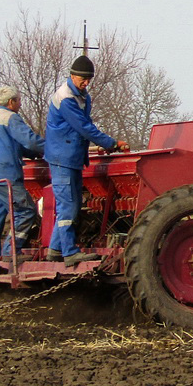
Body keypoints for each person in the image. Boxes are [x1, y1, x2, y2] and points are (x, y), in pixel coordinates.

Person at [44, 55, 129, 266]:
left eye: (89, 79)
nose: (86, 82)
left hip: (72, 157)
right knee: (68, 206)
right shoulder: (66, 99)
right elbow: (83, 127)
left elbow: (86, 125)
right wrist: (111, 143)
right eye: (83, 79)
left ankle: (55, 250)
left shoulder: (83, 96)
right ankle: (70, 253)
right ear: (72, 76)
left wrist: (100, 143)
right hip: (61, 158)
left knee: (70, 205)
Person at [0, 85, 43, 273]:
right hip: (6, 175)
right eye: (18, 101)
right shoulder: (11, 118)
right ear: (11, 102)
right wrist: (52, 149)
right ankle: (10, 253)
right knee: (26, 211)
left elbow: (14, 145)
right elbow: (30, 140)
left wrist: (31, 153)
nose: (20, 104)